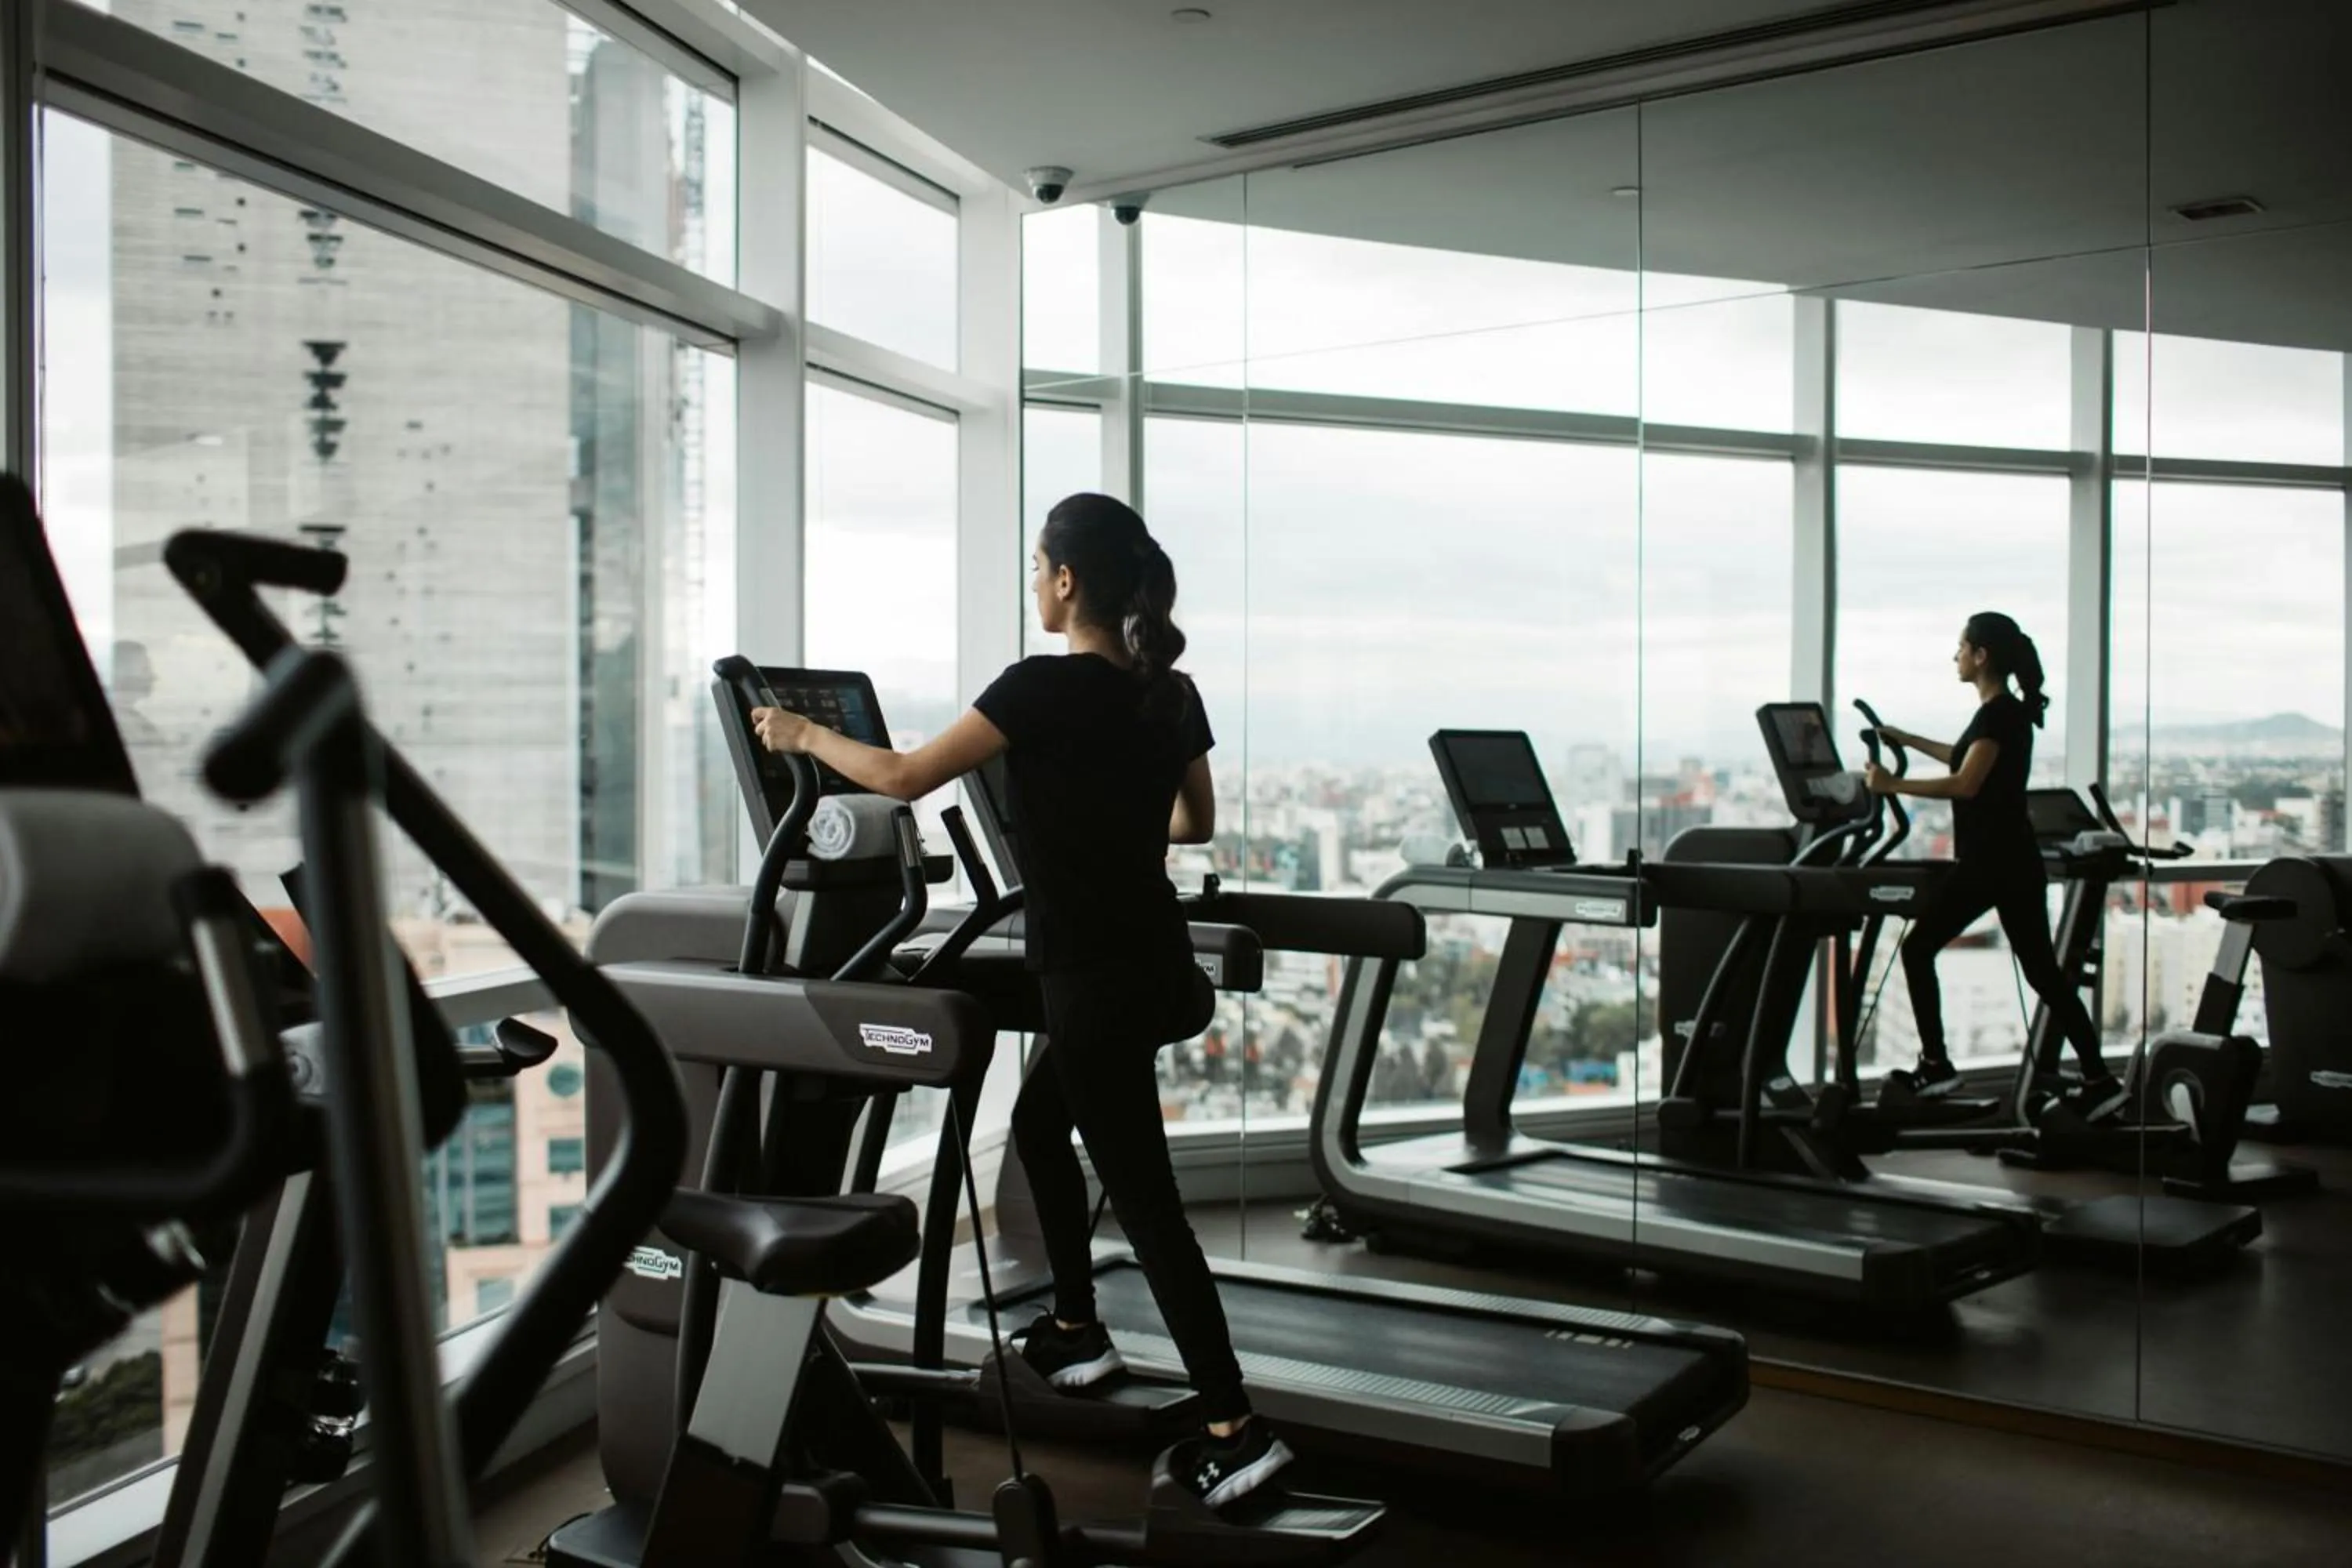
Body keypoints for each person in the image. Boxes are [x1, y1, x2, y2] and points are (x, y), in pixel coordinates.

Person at [750, 492, 1290, 1508]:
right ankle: (1078, 1330)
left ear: (1067, 580)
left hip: (1092, 983)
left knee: (1152, 1210)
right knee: (1040, 1128)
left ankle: (1237, 1428)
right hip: (1156, 965)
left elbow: (904, 777)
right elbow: (1193, 820)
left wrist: (802, 737)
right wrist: (1109, 815)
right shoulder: (1171, 694)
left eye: (1038, 566)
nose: (1033, 582)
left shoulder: (1036, 691)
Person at [1864, 611, 2129, 1122]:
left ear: (1981, 655)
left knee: (1919, 949)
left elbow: (1967, 783)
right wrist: (1904, 737)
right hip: (2012, 862)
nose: (1956, 656)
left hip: (1992, 863)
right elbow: (1962, 758)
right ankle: (2100, 1079)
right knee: (2045, 976)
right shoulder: (2001, 713)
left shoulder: (1999, 714)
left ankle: (1936, 1063)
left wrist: (1891, 786)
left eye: (1961, 647)